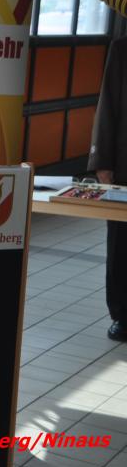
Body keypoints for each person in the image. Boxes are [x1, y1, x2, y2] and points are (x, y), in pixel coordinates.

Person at [89, 36, 127, 340]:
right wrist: (102, 160)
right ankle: (122, 315)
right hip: (125, 166)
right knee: (121, 243)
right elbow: (108, 103)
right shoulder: (122, 48)